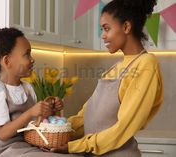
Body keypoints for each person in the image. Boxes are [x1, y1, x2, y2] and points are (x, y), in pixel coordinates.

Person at [51, 0, 164, 156]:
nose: (103, 36)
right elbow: (87, 116)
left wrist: (76, 146)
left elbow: (123, 127)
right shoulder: (116, 67)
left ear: (126, 27)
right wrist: (56, 129)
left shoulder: (146, 64)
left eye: (106, 29)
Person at [0, 28, 71, 157]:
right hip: (4, 149)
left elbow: (36, 123)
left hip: (27, 145)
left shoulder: (27, 88)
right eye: (27, 54)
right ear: (7, 61)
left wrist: (52, 110)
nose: (32, 59)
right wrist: (30, 113)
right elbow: (2, 134)